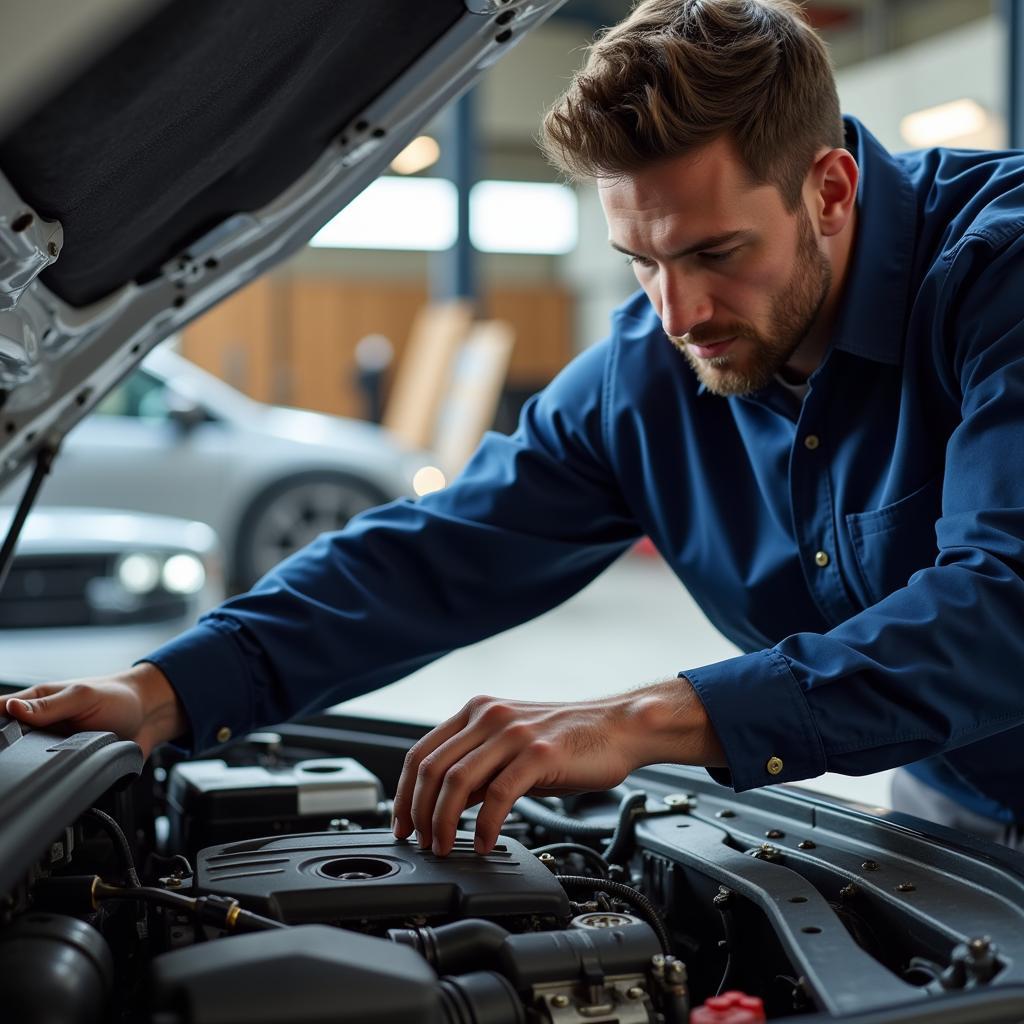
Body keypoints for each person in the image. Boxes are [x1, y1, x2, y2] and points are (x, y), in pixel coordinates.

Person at [6, 0, 1024, 855]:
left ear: (830, 191)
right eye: (641, 260)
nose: (679, 314)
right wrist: (163, 689)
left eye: (716, 252)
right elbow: (431, 556)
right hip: (954, 803)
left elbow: (1001, 608)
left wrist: (641, 718)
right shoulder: (646, 374)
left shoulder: (998, 278)